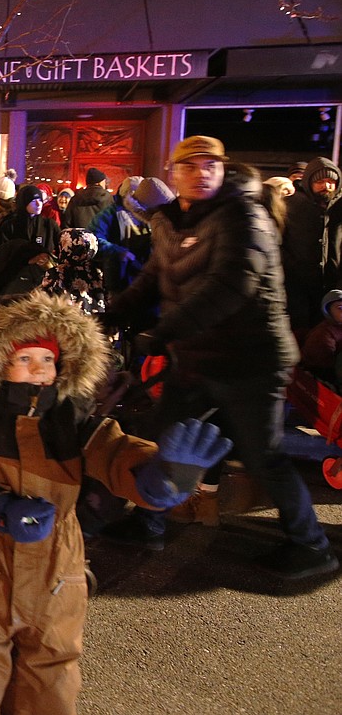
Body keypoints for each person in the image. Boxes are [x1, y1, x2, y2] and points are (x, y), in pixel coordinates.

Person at [0, 291, 230, 715]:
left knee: (49, 681)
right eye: (25, 358)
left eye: (48, 360)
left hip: (55, 574)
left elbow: (114, 451)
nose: (40, 371)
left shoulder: (72, 418)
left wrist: (160, 476)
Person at [101, 136, 338, 579]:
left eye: (210, 164)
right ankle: (150, 517)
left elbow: (231, 287)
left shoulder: (245, 215)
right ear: (174, 174)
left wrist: (163, 333)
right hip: (198, 357)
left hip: (251, 360)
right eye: (189, 166)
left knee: (261, 453)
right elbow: (153, 280)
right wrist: (109, 318)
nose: (201, 172)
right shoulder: (172, 222)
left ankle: (311, 545)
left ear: (222, 168)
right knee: (158, 436)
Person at [281, 157, 341, 334]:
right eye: (321, 181)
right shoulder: (291, 205)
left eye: (331, 181)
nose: (327, 186)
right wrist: (292, 266)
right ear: (309, 182)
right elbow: (278, 242)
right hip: (296, 288)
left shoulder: (340, 207)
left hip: (331, 288)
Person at [0, 182, 60, 251]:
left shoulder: (49, 225)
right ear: (24, 202)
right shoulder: (10, 225)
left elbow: (61, 247)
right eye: (33, 201)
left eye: (40, 200)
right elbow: (3, 251)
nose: (38, 204)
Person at [300, 289, 342, 387]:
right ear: (328, 310)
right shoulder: (323, 334)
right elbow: (322, 366)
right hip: (320, 374)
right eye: (340, 307)